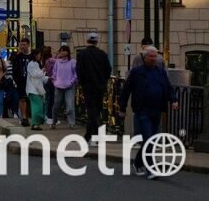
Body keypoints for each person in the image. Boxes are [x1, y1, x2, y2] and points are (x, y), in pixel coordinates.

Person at [119, 46, 179, 179]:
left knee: (150, 139)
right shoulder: (136, 72)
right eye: (151, 56)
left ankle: (138, 162)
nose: (153, 59)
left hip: (157, 109)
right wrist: (122, 109)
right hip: (142, 110)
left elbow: (168, 87)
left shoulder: (161, 72)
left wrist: (173, 100)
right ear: (144, 58)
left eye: (155, 56)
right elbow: (126, 90)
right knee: (149, 139)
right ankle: (151, 168)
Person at [76, 33, 112, 145]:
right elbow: (108, 70)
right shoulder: (102, 54)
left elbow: (79, 70)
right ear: (97, 42)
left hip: (87, 86)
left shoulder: (82, 54)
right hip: (100, 86)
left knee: (91, 111)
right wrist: (104, 80)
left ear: (87, 41)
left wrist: (82, 83)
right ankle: (89, 136)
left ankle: (92, 136)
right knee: (97, 110)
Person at [51, 45, 77, 129]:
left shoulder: (72, 62)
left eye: (64, 50)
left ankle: (71, 123)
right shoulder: (57, 62)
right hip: (58, 86)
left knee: (70, 105)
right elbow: (54, 73)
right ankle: (54, 121)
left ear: (68, 52)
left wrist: (72, 81)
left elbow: (76, 73)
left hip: (69, 86)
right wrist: (54, 82)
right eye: (61, 50)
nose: (62, 52)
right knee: (56, 106)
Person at [10, 38, 33, 126]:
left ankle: (30, 116)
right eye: (21, 44)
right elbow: (11, 61)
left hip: (31, 81)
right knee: (22, 98)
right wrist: (17, 54)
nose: (22, 46)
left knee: (30, 99)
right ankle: (24, 117)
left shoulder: (32, 55)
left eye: (24, 44)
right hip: (21, 81)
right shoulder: (16, 55)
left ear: (28, 45)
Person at [26, 49, 47, 130]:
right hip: (33, 89)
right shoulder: (31, 64)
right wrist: (43, 70)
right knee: (37, 107)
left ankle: (37, 123)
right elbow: (35, 75)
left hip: (38, 89)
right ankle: (35, 124)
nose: (40, 56)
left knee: (39, 107)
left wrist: (48, 78)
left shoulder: (38, 64)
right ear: (35, 55)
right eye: (39, 54)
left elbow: (41, 77)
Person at [42, 46, 56, 125]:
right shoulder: (51, 60)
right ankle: (48, 115)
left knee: (46, 98)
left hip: (45, 80)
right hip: (50, 80)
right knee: (51, 98)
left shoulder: (43, 60)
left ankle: (45, 115)